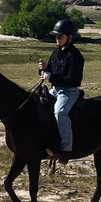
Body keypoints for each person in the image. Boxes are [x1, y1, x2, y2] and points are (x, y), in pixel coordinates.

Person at [37, 18, 84, 160]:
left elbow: (74, 80)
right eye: (56, 36)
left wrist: (51, 77)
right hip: (54, 89)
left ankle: (65, 149)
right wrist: (43, 70)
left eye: (60, 36)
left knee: (60, 112)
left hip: (69, 91)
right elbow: (49, 72)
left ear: (69, 37)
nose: (57, 39)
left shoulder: (76, 56)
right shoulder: (55, 53)